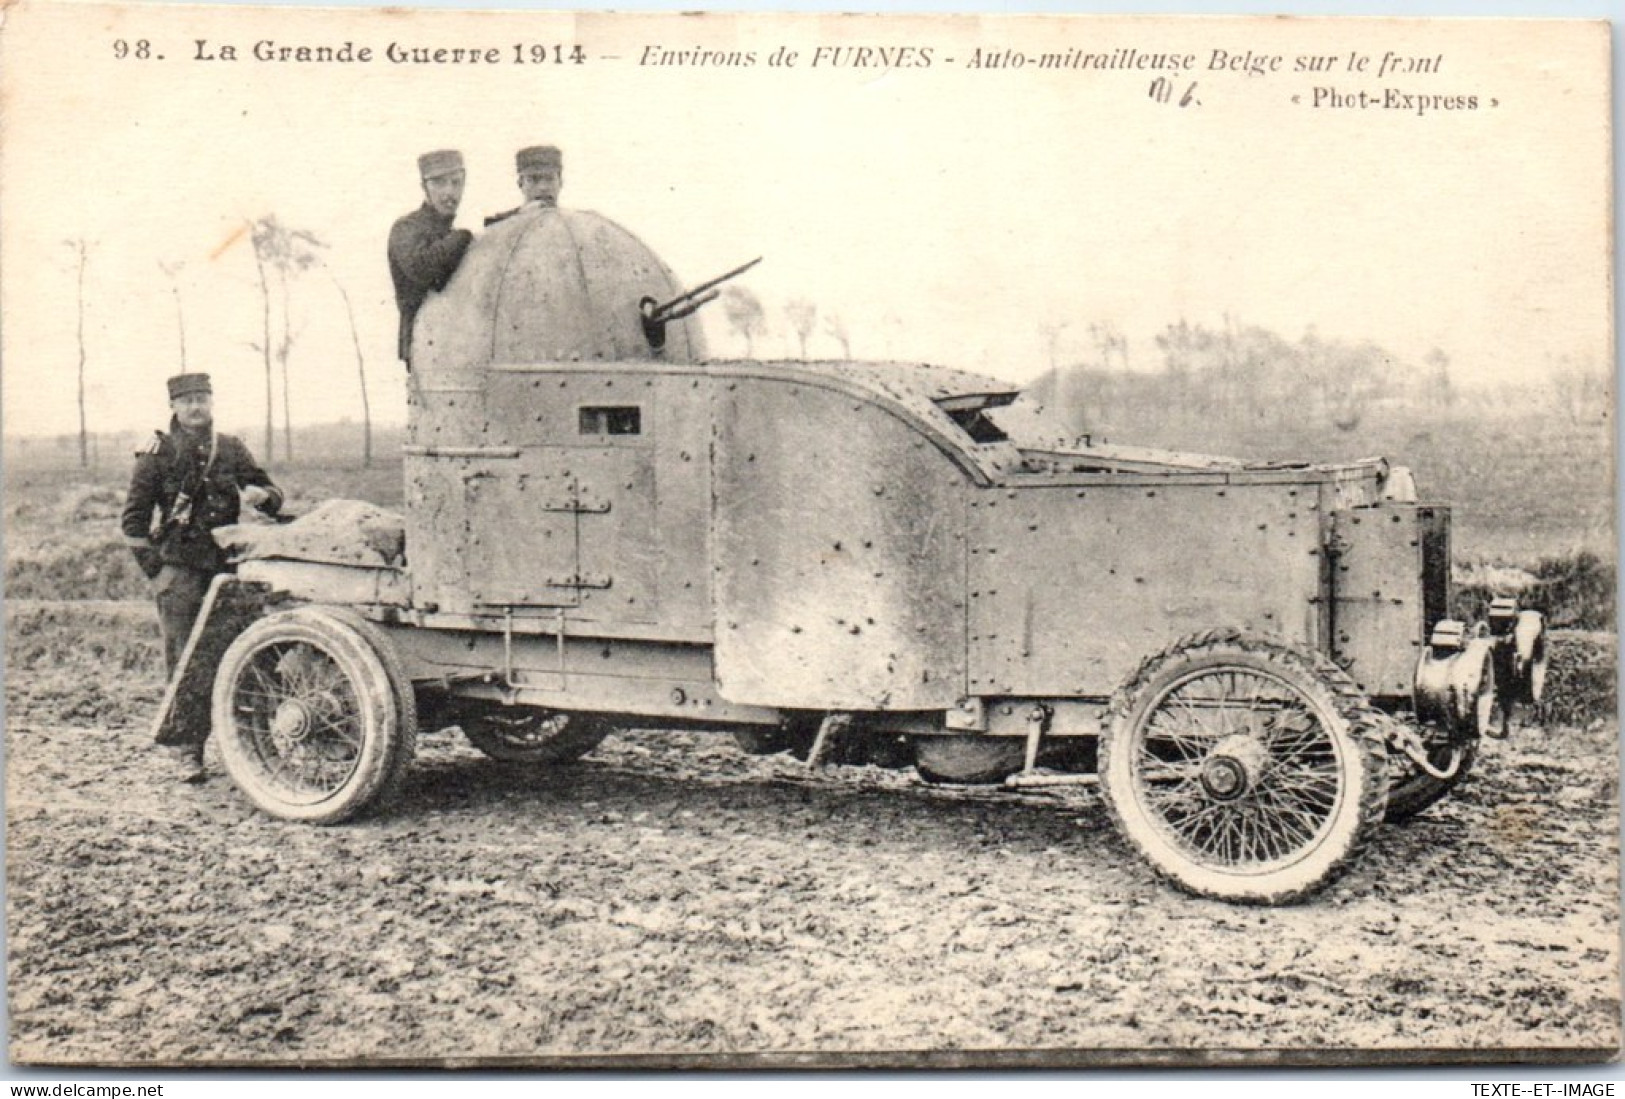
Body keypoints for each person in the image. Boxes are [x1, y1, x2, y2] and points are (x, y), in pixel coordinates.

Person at [121, 372, 283, 779]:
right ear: (173, 407)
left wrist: (266, 498)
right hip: (180, 572)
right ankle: (187, 750)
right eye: (187, 400)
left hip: (227, 569)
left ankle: (251, 745)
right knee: (185, 659)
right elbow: (133, 523)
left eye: (202, 398)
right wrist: (159, 576)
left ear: (212, 402)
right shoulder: (157, 453)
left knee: (242, 654)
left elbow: (267, 489)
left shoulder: (229, 447)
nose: (196, 407)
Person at [388, 149, 475, 365]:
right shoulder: (406, 229)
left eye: (456, 183)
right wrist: (464, 236)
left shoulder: (450, 234)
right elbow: (423, 268)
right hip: (423, 351)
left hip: (455, 349)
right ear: (424, 187)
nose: (449, 192)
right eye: (439, 184)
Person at [484, 145, 563, 226]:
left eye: (549, 179)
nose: (543, 187)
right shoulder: (498, 225)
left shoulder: (573, 225)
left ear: (560, 182)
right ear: (520, 183)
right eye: (533, 180)